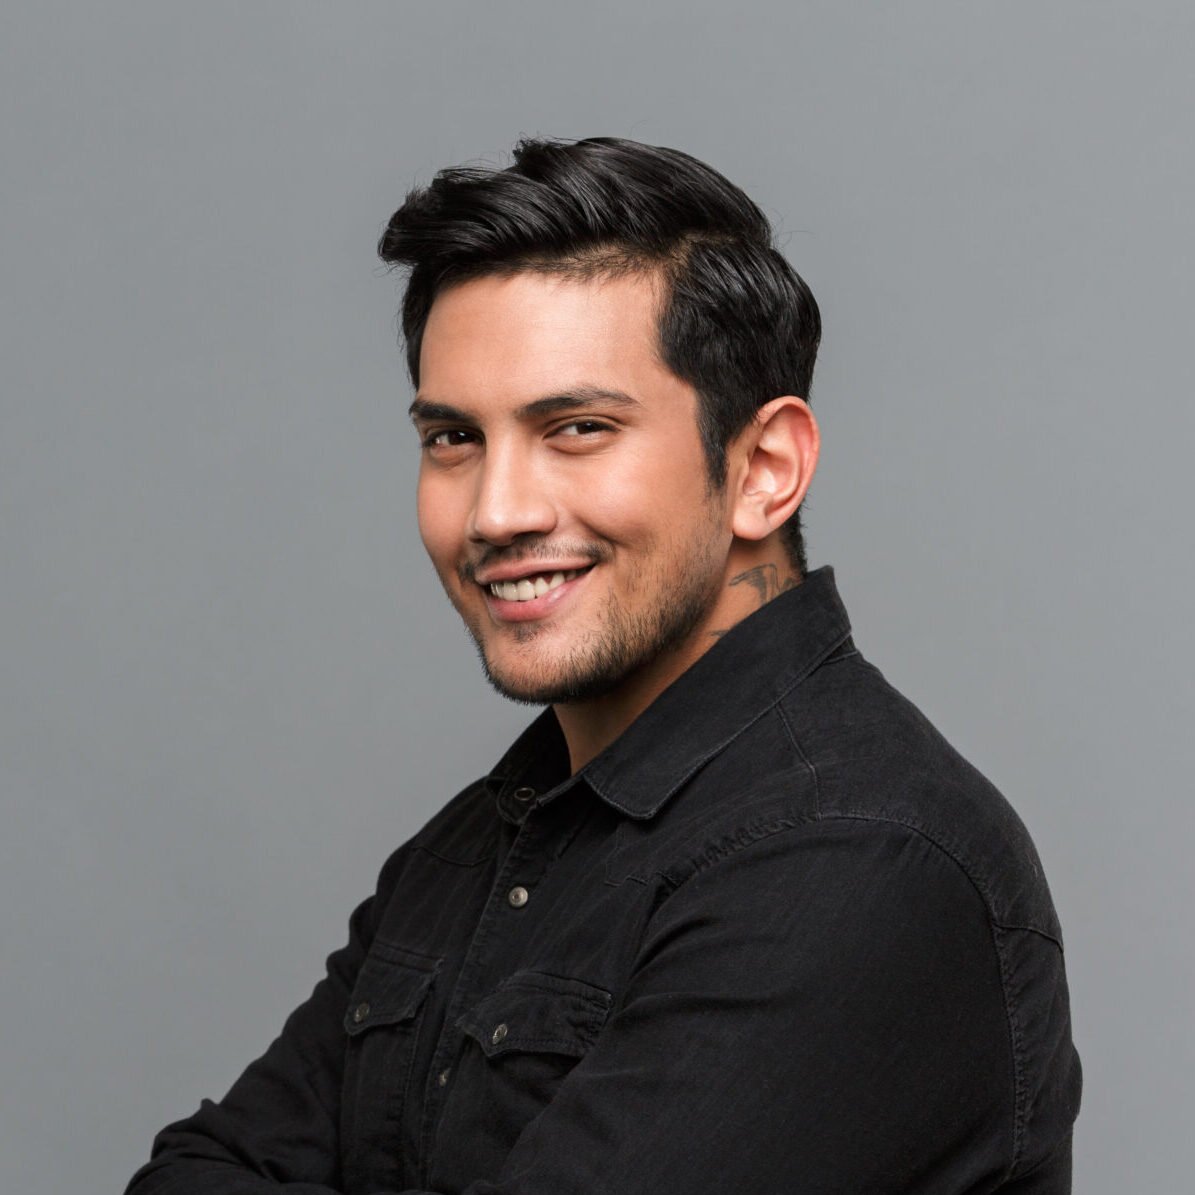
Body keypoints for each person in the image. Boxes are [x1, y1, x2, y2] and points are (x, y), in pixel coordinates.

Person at [125, 136, 1081, 1195]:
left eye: (576, 427)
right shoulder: (476, 846)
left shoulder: (858, 859)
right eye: (452, 439)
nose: (495, 512)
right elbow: (196, 1170)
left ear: (763, 469)